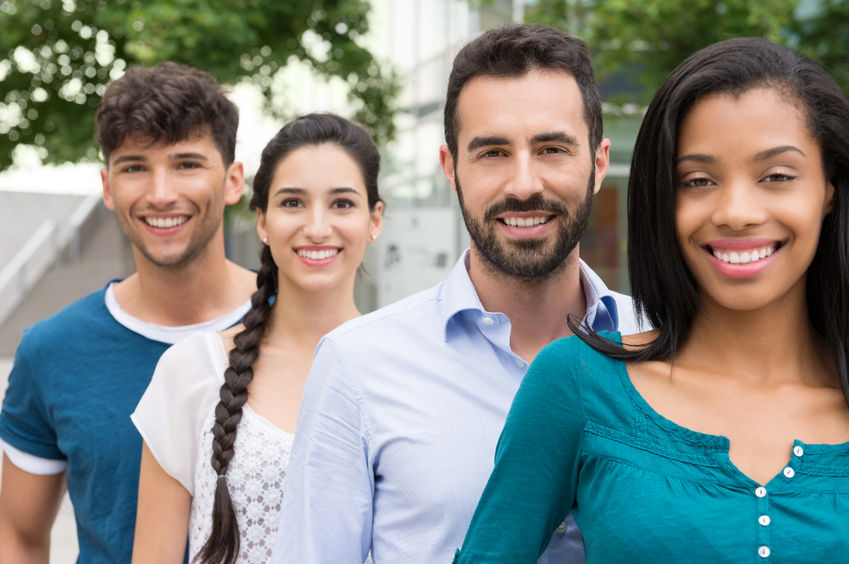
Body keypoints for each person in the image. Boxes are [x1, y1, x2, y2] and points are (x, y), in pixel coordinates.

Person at [454, 36, 849, 563]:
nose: (736, 212)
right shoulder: (577, 381)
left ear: (829, 189)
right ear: (662, 197)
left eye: (776, 176)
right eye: (699, 180)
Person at [274, 23, 642, 564]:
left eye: (552, 148)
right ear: (451, 168)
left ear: (598, 163)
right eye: (492, 152)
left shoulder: (671, 345)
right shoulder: (357, 366)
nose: (523, 184)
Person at [0, 62, 257, 563]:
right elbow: (18, 537)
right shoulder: (51, 350)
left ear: (232, 182)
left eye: (186, 164)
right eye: (135, 167)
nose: (161, 193)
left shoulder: (301, 330)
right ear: (108, 186)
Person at [129, 113, 384, 564]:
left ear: (374, 220)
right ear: (262, 221)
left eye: (342, 203)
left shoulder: (408, 370)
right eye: (293, 203)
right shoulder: (191, 369)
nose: (318, 226)